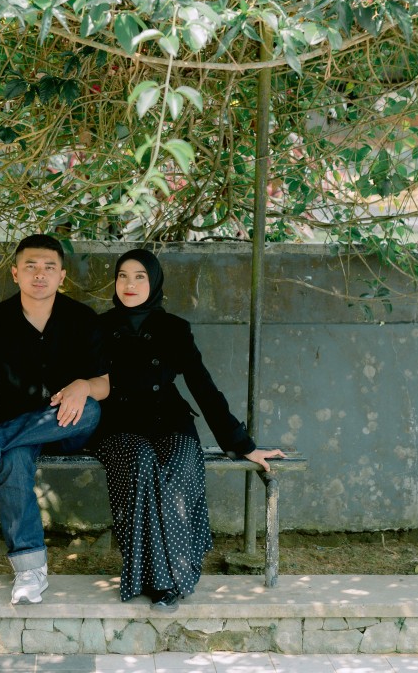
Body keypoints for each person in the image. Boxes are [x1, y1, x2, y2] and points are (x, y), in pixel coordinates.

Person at [93, 248, 284, 611]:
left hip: (168, 419)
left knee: (180, 465)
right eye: (122, 276)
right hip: (117, 424)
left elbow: (202, 386)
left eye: (140, 277)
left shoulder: (174, 329)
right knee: (141, 464)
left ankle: (176, 573)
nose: (130, 284)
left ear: (154, 282)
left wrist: (242, 444)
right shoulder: (98, 327)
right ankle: (159, 582)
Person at [0, 234, 109, 604]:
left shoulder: (83, 319)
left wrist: (83, 385)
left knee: (91, 409)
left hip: (67, 425)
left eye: (49, 267)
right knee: (13, 461)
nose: (40, 274)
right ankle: (30, 571)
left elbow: (103, 385)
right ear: (15, 273)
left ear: (62, 276)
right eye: (30, 266)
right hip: (18, 427)